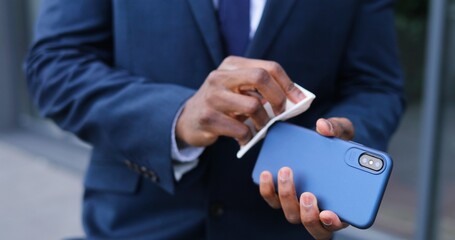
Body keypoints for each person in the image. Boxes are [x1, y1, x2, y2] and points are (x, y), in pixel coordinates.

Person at [25, 0, 404, 239]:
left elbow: (376, 86)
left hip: (280, 226)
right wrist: (175, 117)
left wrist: (343, 148)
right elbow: (55, 66)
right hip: (137, 222)